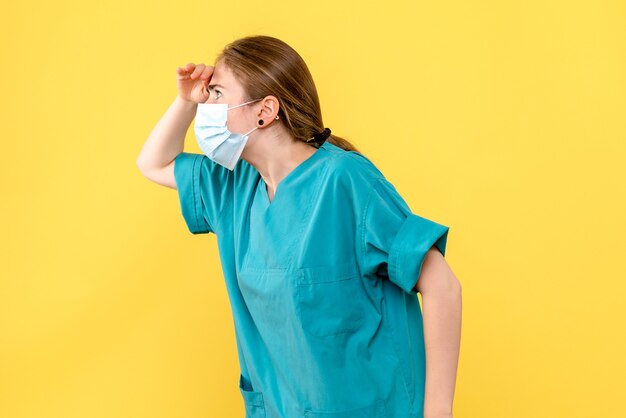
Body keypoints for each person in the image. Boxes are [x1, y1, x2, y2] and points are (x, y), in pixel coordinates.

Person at [136, 35, 462, 418]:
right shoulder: (235, 185)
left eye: (217, 93)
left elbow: (442, 285)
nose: (208, 103)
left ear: (265, 111)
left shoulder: (344, 180)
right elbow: (154, 164)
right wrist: (186, 101)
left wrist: (438, 412)